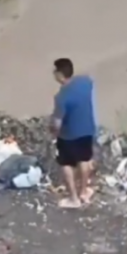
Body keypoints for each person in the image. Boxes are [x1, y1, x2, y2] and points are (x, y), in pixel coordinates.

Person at [50, 58, 97, 209]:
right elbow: (90, 78)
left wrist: (52, 131)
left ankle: (73, 198)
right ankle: (84, 192)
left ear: (59, 74)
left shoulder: (61, 97)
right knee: (84, 160)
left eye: (54, 71)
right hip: (87, 130)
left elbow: (57, 122)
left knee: (66, 164)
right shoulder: (85, 82)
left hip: (68, 135)